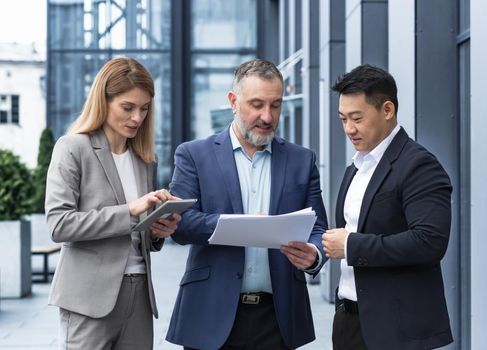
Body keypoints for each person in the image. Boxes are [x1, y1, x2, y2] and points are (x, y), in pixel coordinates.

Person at [166, 59, 328, 350]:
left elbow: (318, 226)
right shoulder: (193, 155)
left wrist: (314, 254)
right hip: (209, 314)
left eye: (275, 105)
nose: (267, 116)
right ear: (233, 101)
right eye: (256, 104)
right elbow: (181, 224)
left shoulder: (302, 160)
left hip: (278, 318)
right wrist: (240, 226)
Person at [45, 57, 181, 350]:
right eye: (128, 107)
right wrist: (130, 210)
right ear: (103, 101)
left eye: (144, 109)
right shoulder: (72, 148)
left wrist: (156, 231)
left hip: (140, 294)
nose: (137, 118)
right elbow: (59, 225)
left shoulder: (145, 160)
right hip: (88, 300)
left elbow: (136, 234)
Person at [322, 64, 453, 350]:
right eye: (342, 119)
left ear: (387, 110)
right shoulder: (356, 167)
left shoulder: (419, 165)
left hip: (395, 330)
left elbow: (429, 242)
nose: (348, 129)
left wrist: (352, 246)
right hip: (348, 322)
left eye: (356, 118)